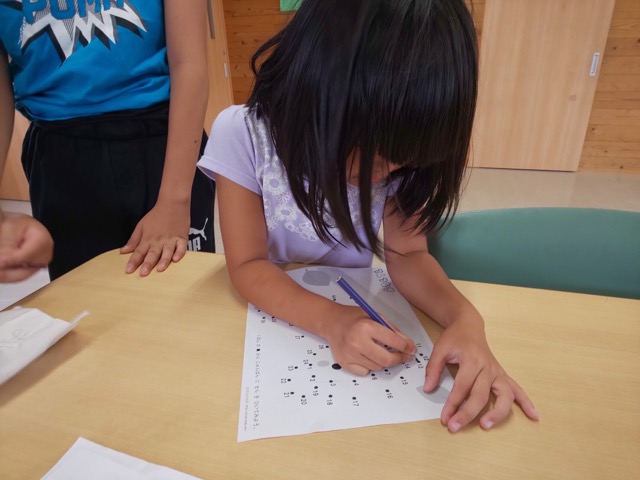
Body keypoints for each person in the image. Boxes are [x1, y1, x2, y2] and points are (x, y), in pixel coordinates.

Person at [198, 0, 539, 433]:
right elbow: (248, 265)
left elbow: (408, 254)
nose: (387, 174)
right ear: (315, 88)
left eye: (403, 162)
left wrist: (465, 319)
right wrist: (331, 321)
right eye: (376, 158)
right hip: (270, 322)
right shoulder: (243, 134)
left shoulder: (399, 155)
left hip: (354, 320)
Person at [0, 0, 215, 281]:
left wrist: (174, 199)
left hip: (164, 140)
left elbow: (190, 65)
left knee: (182, 290)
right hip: (59, 151)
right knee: (85, 297)